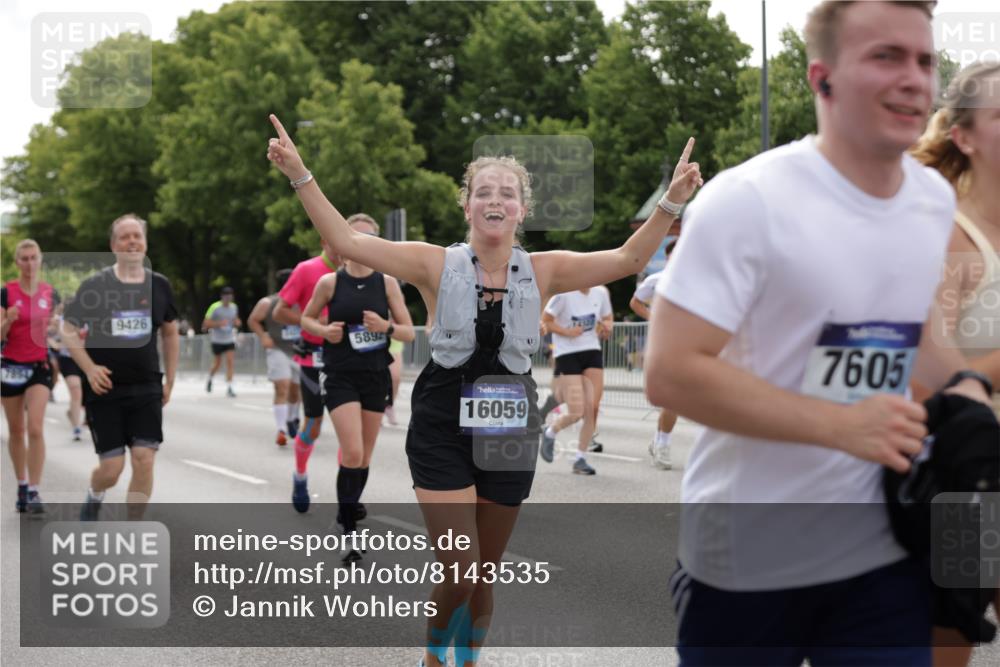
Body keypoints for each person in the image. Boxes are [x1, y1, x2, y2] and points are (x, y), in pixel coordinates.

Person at [267, 112, 701, 667]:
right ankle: (432, 659)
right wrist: (301, 174)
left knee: (484, 576)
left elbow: (626, 260)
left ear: (522, 210)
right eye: (484, 191)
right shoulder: (431, 262)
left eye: (508, 193)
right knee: (461, 569)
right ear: (467, 205)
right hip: (442, 421)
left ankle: (468, 661)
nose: (496, 199)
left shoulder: (544, 269)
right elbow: (344, 238)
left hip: (508, 421)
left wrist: (672, 202)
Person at [643, 2, 996, 664]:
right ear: (821, 78)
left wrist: (967, 390)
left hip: (881, 553)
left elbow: (914, 335)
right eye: (886, 57)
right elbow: (671, 371)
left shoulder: (929, 200)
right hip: (744, 562)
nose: (915, 78)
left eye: (924, 60)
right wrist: (837, 425)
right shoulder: (747, 201)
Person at [910, 61, 1000, 667]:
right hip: (967, 483)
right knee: (950, 646)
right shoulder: (951, 237)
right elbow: (921, 378)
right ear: (964, 136)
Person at [300, 214, 415, 563]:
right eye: (355, 237)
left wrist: (386, 327)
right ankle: (349, 531)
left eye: (369, 239)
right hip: (340, 375)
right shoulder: (330, 283)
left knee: (363, 457)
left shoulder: (388, 283)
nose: (361, 245)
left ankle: (342, 514)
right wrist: (323, 331)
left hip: (374, 374)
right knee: (351, 453)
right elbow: (306, 318)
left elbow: (410, 331)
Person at [63, 214, 179, 521]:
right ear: (114, 245)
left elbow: (170, 332)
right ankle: (96, 492)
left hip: (147, 386)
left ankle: (133, 530)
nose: (132, 242)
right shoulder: (96, 285)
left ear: (145, 243)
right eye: (125, 237)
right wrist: (88, 369)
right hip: (105, 389)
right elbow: (68, 329)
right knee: (112, 470)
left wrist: (171, 380)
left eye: (137, 236)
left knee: (144, 460)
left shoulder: (159, 285)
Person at [273, 236, 337, 512]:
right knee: (313, 426)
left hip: (351, 360)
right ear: (325, 239)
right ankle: (300, 476)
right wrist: (312, 321)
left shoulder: (368, 273)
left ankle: (349, 497)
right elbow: (279, 311)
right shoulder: (307, 270)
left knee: (352, 431)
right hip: (314, 357)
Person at [1, 239, 57, 514]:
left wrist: (62, 331)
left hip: (38, 366)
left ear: (40, 259)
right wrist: (8, 320)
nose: (29, 263)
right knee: (16, 430)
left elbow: (55, 330)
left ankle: (34, 490)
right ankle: (21, 483)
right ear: (17, 262)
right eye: (24, 258)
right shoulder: (6, 292)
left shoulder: (50, 292)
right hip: (11, 366)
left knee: (35, 427)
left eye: (34, 257)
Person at [538, 286, 613, 475]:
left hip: (591, 350)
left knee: (593, 407)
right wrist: (567, 332)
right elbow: (546, 321)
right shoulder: (563, 294)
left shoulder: (600, 292)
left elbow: (607, 317)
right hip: (567, 353)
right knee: (577, 411)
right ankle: (551, 430)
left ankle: (580, 458)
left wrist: (607, 327)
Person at [247, 268, 303, 447]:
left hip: (298, 350)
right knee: (282, 387)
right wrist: (263, 336)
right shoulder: (268, 302)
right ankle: (281, 430)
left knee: (296, 390)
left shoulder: (304, 301)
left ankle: (292, 418)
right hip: (277, 349)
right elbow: (253, 319)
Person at [630, 269, 676, 469]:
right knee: (674, 398)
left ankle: (658, 441)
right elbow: (635, 302)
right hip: (664, 344)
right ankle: (663, 444)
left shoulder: (702, 277)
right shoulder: (657, 279)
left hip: (693, 344)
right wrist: (653, 317)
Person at [53, 306, 86, 441]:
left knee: (86, 393)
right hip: (69, 359)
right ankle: (76, 428)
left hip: (88, 359)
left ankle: (74, 413)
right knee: (75, 388)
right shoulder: (62, 320)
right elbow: (53, 336)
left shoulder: (94, 317)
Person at [203, 286, 240, 397]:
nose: (228, 298)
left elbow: (236, 320)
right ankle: (210, 378)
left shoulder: (234, 307)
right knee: (217, 363)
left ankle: (230, 387)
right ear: (222, 297)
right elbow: (206, 324)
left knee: (230, 362)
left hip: (229, 338)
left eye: (230, 296)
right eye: (226, 296)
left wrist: (237, 322)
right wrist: (219, 324)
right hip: (217, 339)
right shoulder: (214, 307)